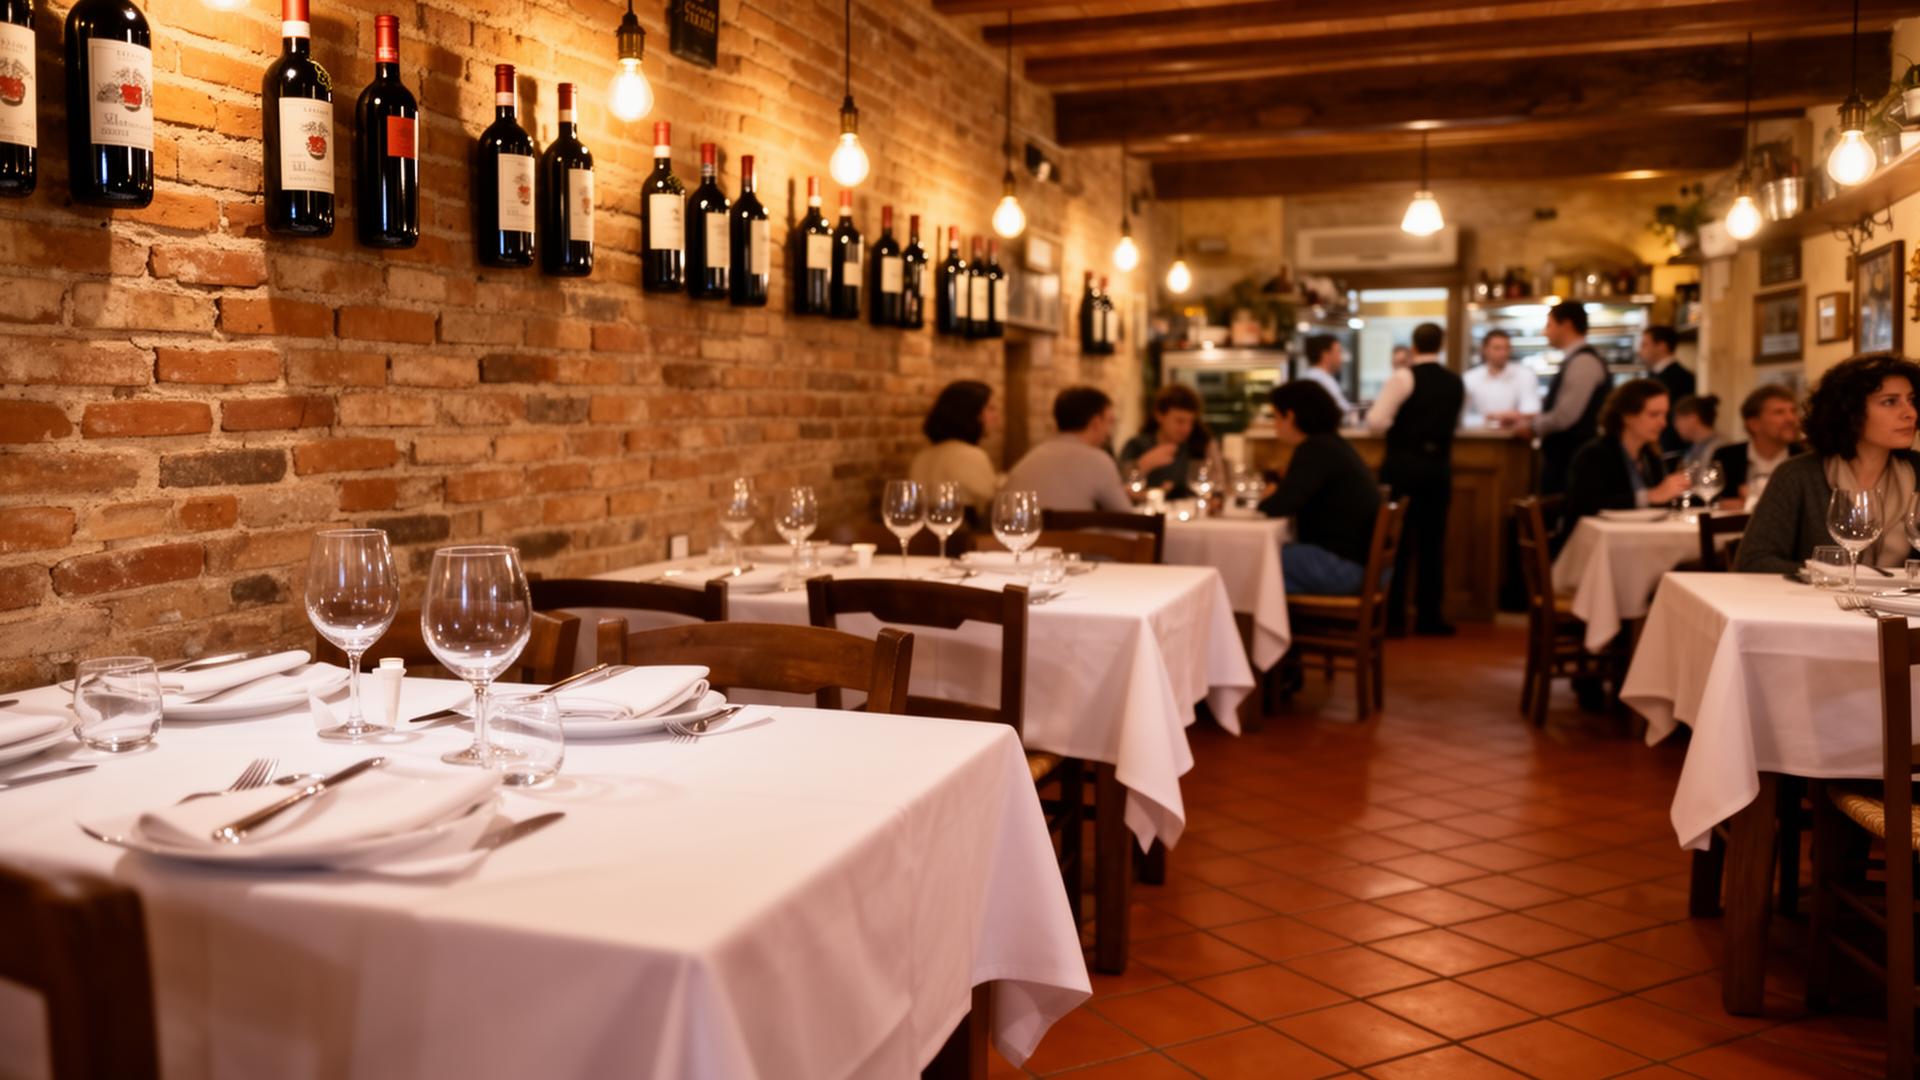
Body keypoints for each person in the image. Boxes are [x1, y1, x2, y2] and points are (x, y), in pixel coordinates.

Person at [1735, 354, 1920, 575]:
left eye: (1911, 400)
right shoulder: (1798, 475)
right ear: (1850, 412)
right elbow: (1753, 561)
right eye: (1890, 402)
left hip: (1901, 608)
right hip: (1809, 606)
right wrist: (1834, 575)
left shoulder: (1918, 472)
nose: (1910, 413)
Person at [1367, 321, 1464, 635]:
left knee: (1398, 542)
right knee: (1433, 544)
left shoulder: (1403, 377)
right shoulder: (1455, 382)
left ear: (1414, 345)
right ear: (1442, 344)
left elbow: (1376, 422)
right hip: (1438, 469)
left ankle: (1393, 618)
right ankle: (1429, 617)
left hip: (1404, 469)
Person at [1258, 379, 1381, 595]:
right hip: (1364, 564)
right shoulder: (1333, 444)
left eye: (1276, 417)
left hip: (1346, 567)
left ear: (1291, 416)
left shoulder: (1315, 449)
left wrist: (1270, 496)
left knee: (1254, 559)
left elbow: (1277, 506)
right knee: (1262, 579)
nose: (1275, 425)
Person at [1497, 301, 1610, 497]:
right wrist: (1527, 419)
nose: (1544, 332)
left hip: (1573, 460)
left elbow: (1566, 415)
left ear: (1566, 325)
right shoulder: (1577, 359)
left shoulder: (1584, 361)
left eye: (1549, 325)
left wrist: (1532, 428)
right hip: (1569, 459)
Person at [1564, 379, 1692, 524]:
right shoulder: (1594, 455)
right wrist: (1650, 496)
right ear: (1627, 416)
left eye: (1664, 415)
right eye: (1654, 414)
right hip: (1595, 541)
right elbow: (1589, 505)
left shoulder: (1650, 456)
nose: (1663, 423)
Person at [1001, 385, 1135, 512]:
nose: (1109, 431)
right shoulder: (1098, 460)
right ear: (1096, 423)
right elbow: (1127, 521)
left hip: (1023, 535)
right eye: (1109, 421)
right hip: (1076, 537)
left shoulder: (1030, 458)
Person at [1119, 384, 1227, 499]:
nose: (1187, 428)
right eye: (1180, 421)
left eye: (1190, 422)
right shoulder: (1136, 445)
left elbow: (1218, 486)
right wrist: (1143, 464)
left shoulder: (1199, 445)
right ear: (1159, 416)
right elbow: (1117, 487)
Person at [910, 380, 999, 518]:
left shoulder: (921, 457)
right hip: (964, 538)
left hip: (923, 539)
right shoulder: (972, 456)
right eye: (990, 409)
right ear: (972, 413)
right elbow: (993, 506)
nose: (996, 417)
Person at [1711, 384, 1804, 505]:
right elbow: (1710, 502)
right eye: (1779, 412)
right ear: (1754, 424)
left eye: (1793, 411)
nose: (1791, 419)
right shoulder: (1727, 457)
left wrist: (1750, 502)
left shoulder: (1804, 457)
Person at [1461, 329, 1539, 425]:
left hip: (1515, 435)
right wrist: (1487, 418)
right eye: (1497, 348)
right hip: (1480, 435)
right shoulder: (1470, 377)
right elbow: (1461, 415)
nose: (1503, 353)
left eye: (1506, 348)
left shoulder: (1525, 374)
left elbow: (1532, 410)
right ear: (1484, 350)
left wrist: (1510, 416)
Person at [1642, 325, 1694, 454]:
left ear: (1662, 346)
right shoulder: (1655, 376)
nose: (1640, 351)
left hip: (1670, 450)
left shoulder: (1681, 378)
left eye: (1644, 345)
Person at [1296, 334, 1353, 415]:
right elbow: (1342, 411)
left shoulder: (1317, 377)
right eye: (1338, 352)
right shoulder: (1319, 380)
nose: (1341, 358)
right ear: (1325, 355)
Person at [1670, 394, 1728, 469]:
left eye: (1678, 419)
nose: (1675, 425)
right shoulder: (1695, 447)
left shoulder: (1719, 449)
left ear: (1693, 418)